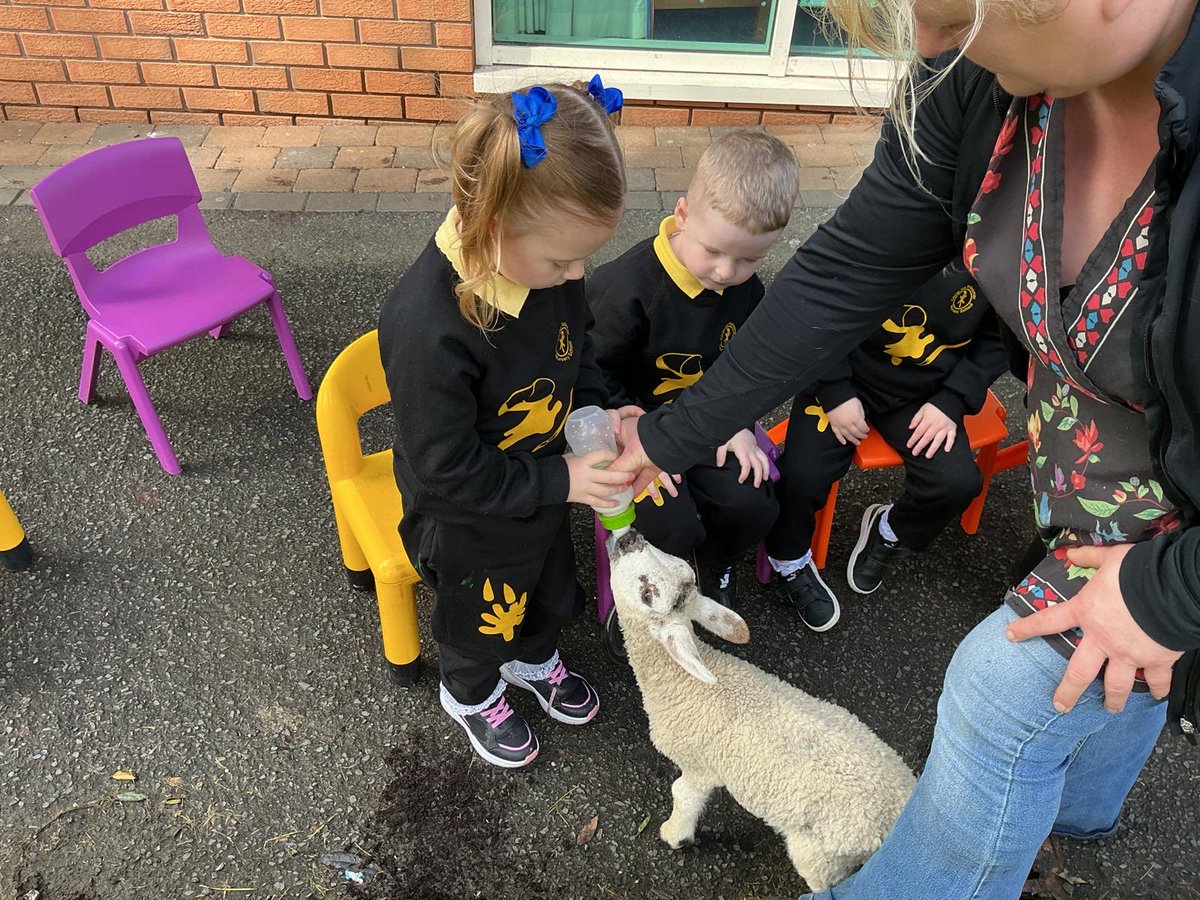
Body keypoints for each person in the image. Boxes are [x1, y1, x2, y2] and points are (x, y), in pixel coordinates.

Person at [612, 0, 1200, 896]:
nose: (924, 49)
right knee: (1118, 662)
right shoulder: (979, 81)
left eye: (949, 13)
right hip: (1095, 494)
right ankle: (1077, 806)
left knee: (999, 694)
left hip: (1178, 532)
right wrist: (666, 436)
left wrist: (1170, 590)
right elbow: (841, 275)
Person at [378, 78, 632, 770]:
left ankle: (532, 655)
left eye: (585, 258)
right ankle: (472, 689)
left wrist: (602, 408)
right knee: (479, 614)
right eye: (562, 261)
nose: (579, 274)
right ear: (493, 225)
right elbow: (447, 469)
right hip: (464, 517)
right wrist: (561, 478)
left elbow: (579, 355)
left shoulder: (548, 266)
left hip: (540, 486)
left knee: (548, 583)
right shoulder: (428, 327)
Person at [588, 130, 798, 606]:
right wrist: (634, 435)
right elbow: (593, 373)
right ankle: (653, 593)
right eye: (715, 251)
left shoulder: (745, 288)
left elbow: (746, 363)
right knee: (669, 523)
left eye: (749, 259)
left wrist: (737, 422)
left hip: (706, 423)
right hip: (635, 431)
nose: (727, 272)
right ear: (682, 214)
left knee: (753, 502)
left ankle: (715, 564)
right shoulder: (626, 287)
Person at [766, 262, 1007, 631]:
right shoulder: (885, 225)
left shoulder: (1004, 251)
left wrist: (953, 400)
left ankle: (889, 526)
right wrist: (833, 391)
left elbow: (1000, 338)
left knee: (955, 482)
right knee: (801, 475)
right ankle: (789, 559)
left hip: (925, 393)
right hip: (845, 378)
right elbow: (814, 306)